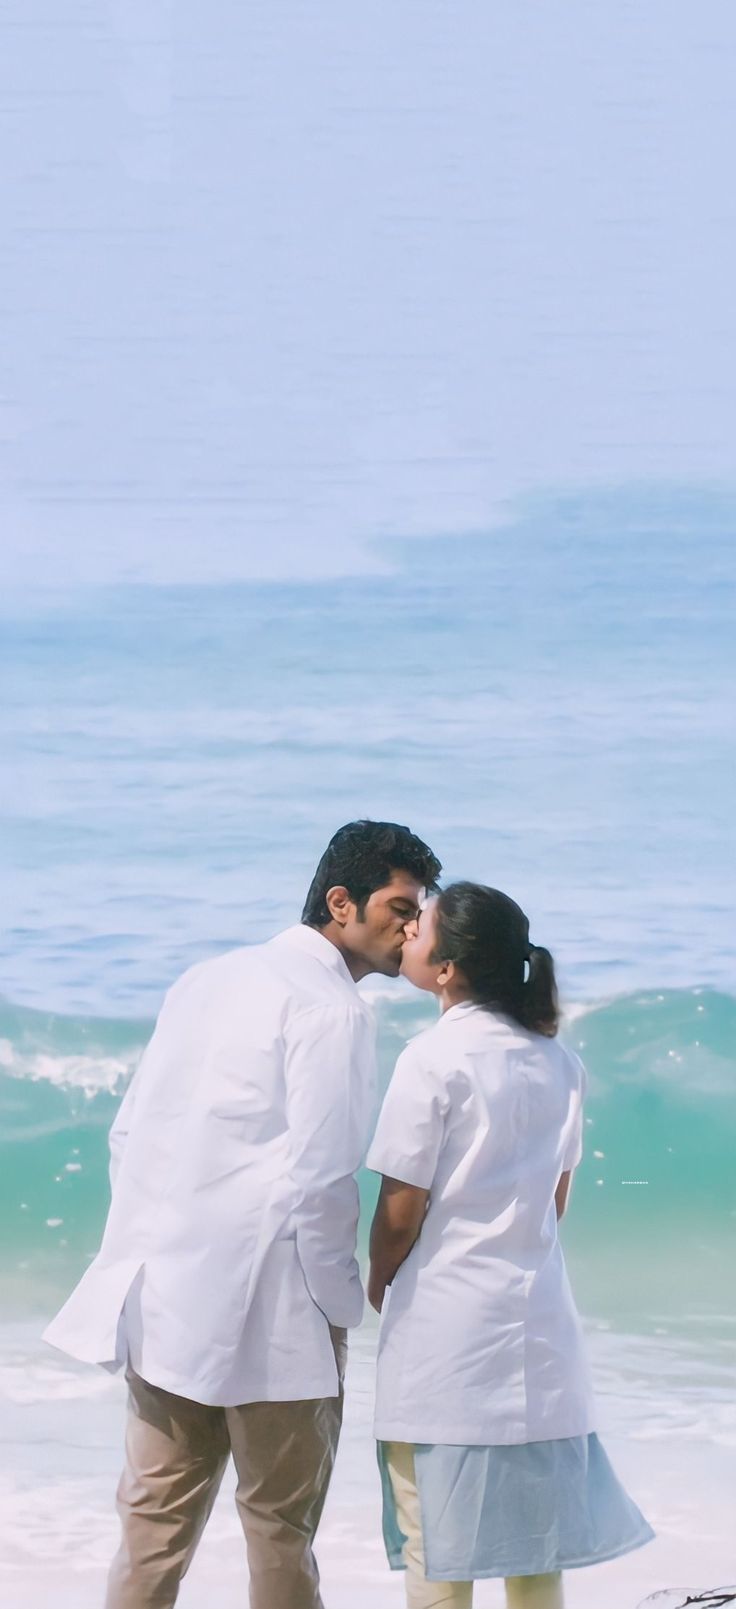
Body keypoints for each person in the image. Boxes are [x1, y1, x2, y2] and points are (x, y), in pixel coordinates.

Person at [44, 820, 441, 1609]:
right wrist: (340, 1304)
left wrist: (140, 1255)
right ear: (341, 902)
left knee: (151, 1530)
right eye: (401, 905)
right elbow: (322, 1177)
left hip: (165, 1298)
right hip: (275, 1314)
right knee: (280, 1531)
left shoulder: (206, 977)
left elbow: (131, 1131)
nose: (415, 925)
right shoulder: (335, 1009)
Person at [367, 882, 654, 1609]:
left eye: (421, 928)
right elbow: (552, 1202)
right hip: (539, 1333)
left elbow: (402, 1208)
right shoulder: (559, 1063)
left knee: (436, 1547)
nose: (408, 934)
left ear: (447, 970)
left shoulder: (431, 1060)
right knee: (534, 1558)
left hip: (447, 1337)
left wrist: (376, 1277)